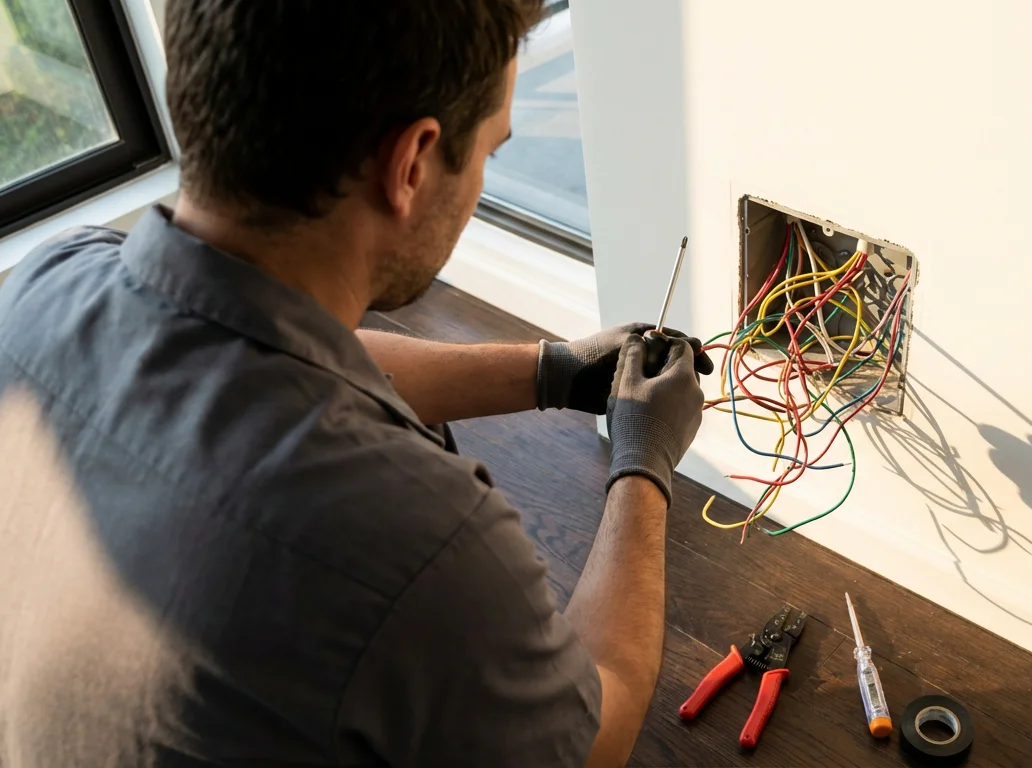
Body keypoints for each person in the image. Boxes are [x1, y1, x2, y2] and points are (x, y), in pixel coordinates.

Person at [0, 1, 709, 765]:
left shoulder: (46, 279)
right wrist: (645, 463)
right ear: (412, 164)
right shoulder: (417, 548)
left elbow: (281, 354)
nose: (480, 181)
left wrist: (553, 371)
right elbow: (594, 733)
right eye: (488, 155)